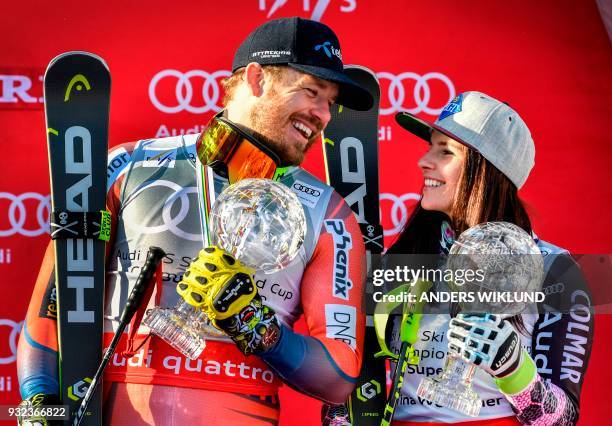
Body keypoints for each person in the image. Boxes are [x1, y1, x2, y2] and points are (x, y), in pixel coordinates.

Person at [17, 17, 373, 425]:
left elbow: (340, 375)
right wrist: (37, 405)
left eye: (330, 102)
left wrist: (259, 329)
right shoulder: (127, 165)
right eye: (311, 92)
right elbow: (48, 316)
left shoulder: (328, 213)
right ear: (255, 79)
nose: (324, 114)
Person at [384, 92, 594, 425]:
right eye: (429, 147)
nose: (424, 161)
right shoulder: (406, 254)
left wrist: (514, 370)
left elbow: (561, 420)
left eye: (445, 152)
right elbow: (362, 382)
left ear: (487, 170)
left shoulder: (555, 270)